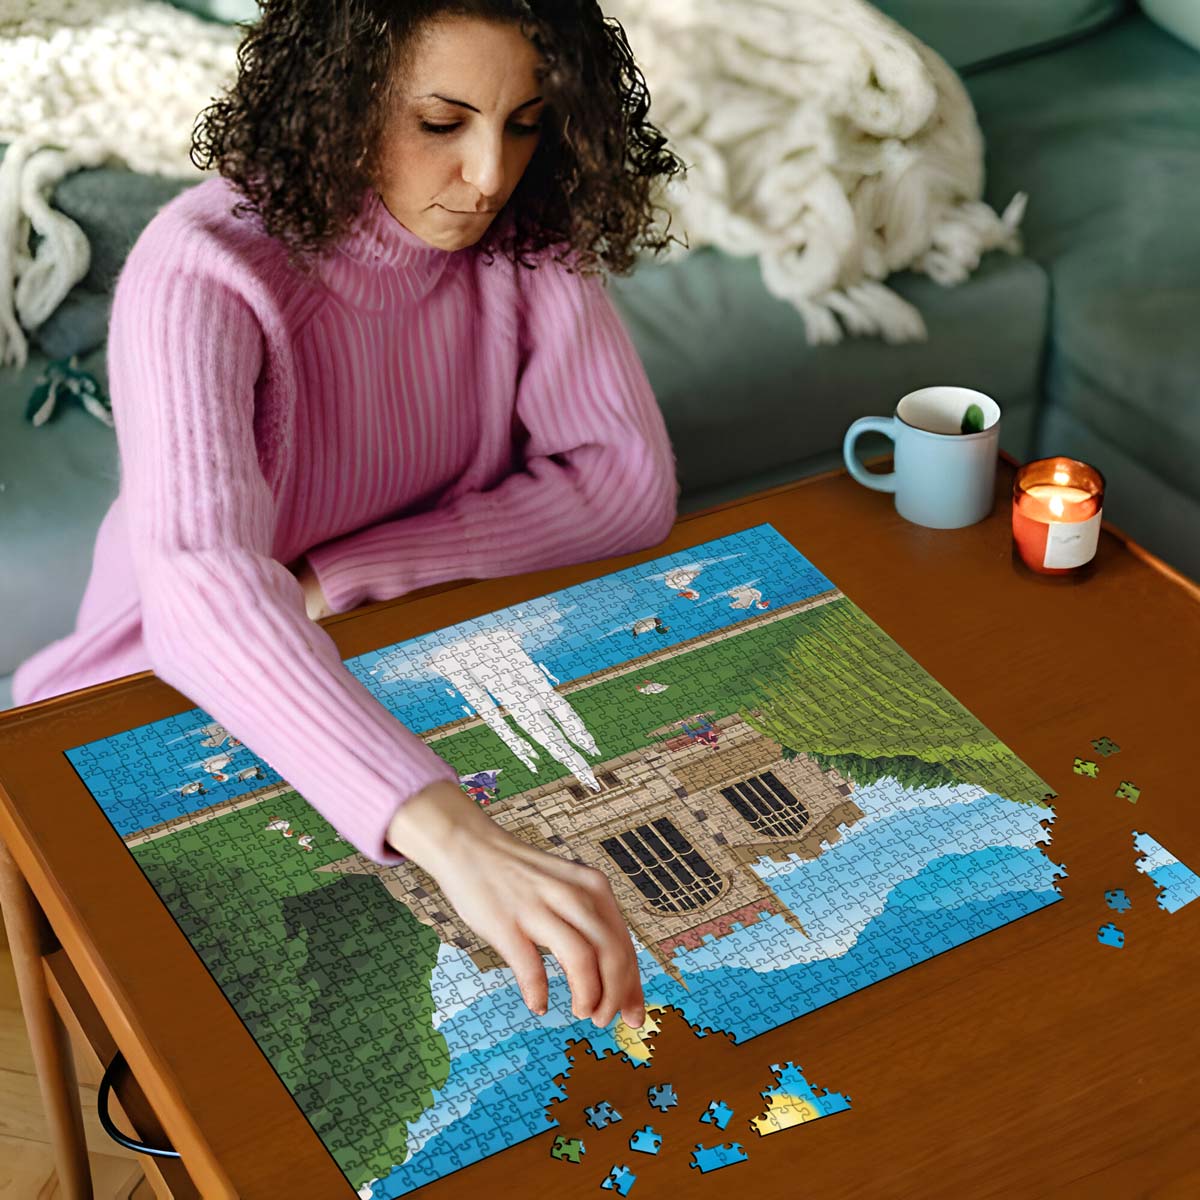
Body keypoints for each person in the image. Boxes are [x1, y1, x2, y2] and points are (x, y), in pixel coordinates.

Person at [11, 0, 688, 1032]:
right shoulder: (201, 266)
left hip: (400, 638)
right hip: (161, 687)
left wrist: (347, 574)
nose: (489, 176)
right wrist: (455, 836)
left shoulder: (527, 231)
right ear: (343, 99)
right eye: (441, 122)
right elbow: (200, 593)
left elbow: (626, 485)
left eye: (524, 123)